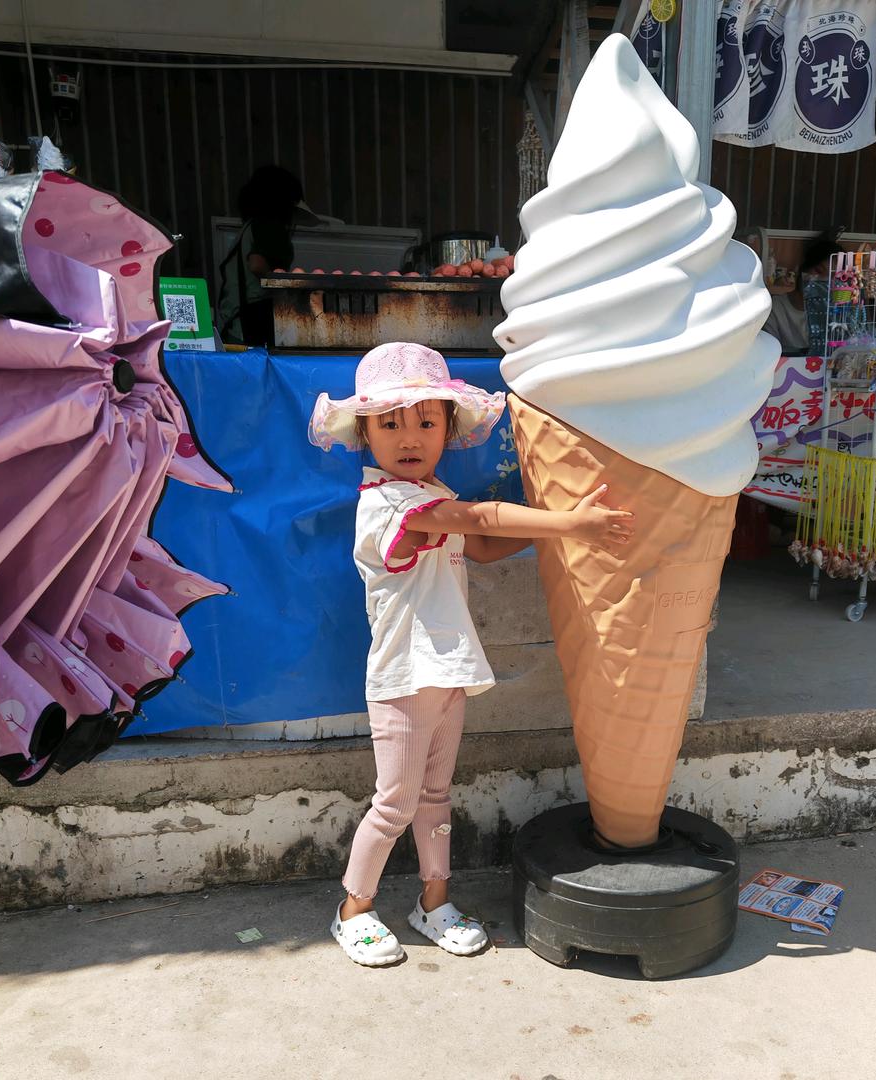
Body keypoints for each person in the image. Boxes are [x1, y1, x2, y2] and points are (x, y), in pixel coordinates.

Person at [309, 342, 635, 967]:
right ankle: (354, 908)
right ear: (365, 435)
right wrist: (571, 523)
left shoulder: (430, 495)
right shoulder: (388, 506)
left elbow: (478, 547)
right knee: (396, 802)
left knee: (435, 795)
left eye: (427, 421)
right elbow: (480, 520)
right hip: (404, 679)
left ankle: (434, 902)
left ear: (449, 429)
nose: (410, 437)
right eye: (391, 423)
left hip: (446, 670)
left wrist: (551, 543)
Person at [217, 165, 318, 346]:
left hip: (234, 322)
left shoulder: (249, 228)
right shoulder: (267, 225)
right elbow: (256, 264)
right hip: (248, 324)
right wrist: (284, 286)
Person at [763, 234, 844, 355]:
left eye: (833, 277)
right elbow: (767, 352)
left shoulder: (838, 313)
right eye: (818, 271)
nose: (823, 281)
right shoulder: (774, 308)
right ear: (802, 269)